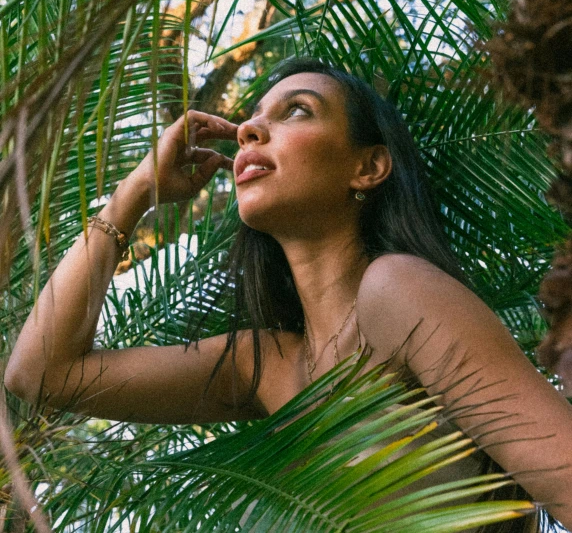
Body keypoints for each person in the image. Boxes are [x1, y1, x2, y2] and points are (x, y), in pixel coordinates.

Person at [5, 58, 572, 531]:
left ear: (368, 167)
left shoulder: (397, 290)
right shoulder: (266, 365)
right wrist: (135, 193)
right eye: (250, 121)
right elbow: (40, 373)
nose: (250, 130)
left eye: (296, 111)